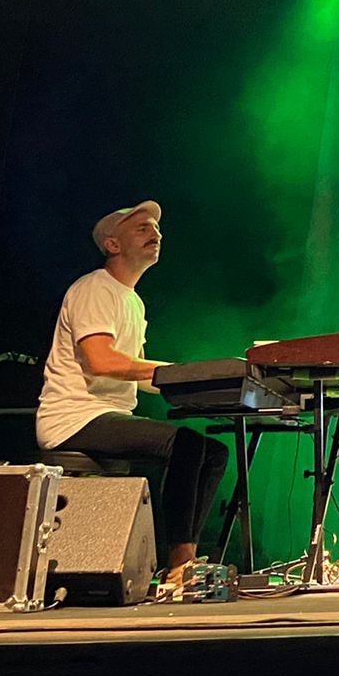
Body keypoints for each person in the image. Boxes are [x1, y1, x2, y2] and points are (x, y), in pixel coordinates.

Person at [35, 202, 231, 576]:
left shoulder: (133, 301)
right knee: (187, 444)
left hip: (105, 416)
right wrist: (177, 373)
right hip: (73, 418)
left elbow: (139, 375)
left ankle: (186, 558)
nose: (155, 234)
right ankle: (180, 564)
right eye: (142, 228)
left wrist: (202, 388)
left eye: (156, 228)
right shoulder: (95, 288)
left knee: (215, 452)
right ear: (113, 244)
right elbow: (101, 361)